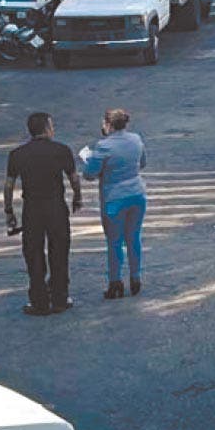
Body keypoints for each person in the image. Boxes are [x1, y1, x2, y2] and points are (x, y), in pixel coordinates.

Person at [4, 110, 80, 316]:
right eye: (52, 125)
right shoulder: (62, 150)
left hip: (32, 209)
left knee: (33, 253)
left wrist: (9, 211)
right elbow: (73, 178)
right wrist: (77, 197)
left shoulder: (17, 154)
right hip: (56, 206)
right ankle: (60, 298)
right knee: (59, 251)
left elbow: (9, 185)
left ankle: (39, 301)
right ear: (47, 129)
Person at [80, 108, 148, 300]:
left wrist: (91, 160)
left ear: (108, 125)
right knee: (134, 237)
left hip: (114, 198)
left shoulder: (103, 147)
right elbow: (142, 163)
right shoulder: (136, 139)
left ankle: (115, 282)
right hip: (137, 193)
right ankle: (135, 278)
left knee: (114, 241)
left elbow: (89, 174)